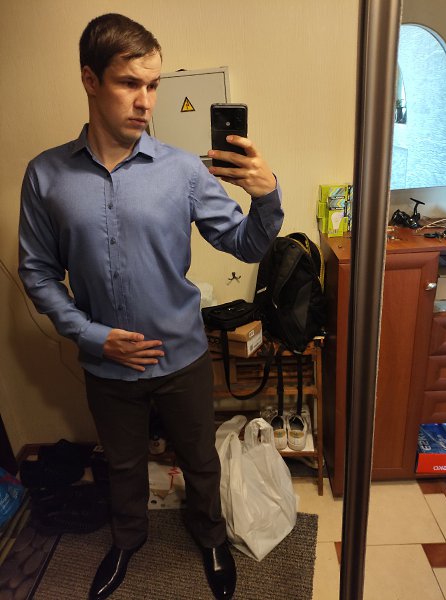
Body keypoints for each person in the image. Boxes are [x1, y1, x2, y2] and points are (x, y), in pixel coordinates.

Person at [18, 13, 283, 600]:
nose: (145, 101)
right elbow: (37, 272)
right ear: (90, 80)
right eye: (129, 83)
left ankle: (210, 537)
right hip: (107, 364)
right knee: (121, 464)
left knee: (201, 460)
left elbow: (245, 244)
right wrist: (92, 335)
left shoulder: (183, 170)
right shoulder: (46, 176)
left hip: (183, 355)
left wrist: (266, 198)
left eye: (153, 85)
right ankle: (127, 540)